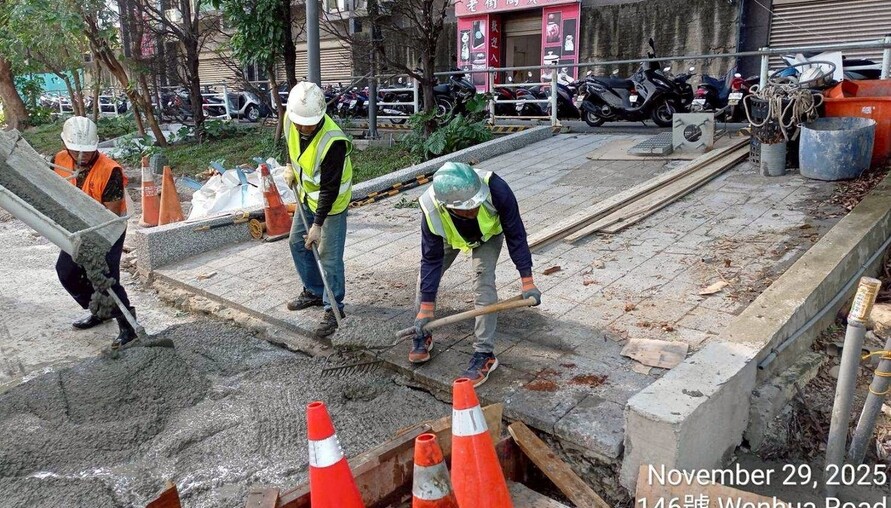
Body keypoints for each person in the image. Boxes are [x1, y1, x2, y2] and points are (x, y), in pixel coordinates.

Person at [410, 162, 541, 387]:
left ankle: (484, 353)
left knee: (483, 282)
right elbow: (431, 260)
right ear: (448, 207)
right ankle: (422, 331)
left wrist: (527, 281)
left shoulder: (497, 189)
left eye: (476, 203)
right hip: (449, 237)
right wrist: (426, 308)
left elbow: (516, 234)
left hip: (488, 235)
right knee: (424, 281)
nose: (475, 210)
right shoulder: (431, 209)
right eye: (467, 208)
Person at [52, 116, 136, 348]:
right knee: (66, 272)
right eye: (76, 150)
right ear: (65, 144)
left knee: (105, 278)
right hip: (77, 227)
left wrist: (95, 253)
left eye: (87, 151)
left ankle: (128, 326)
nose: (82, 156)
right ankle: (99, 310)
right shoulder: (58, 160)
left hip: (107, 229)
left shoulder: (110, 171)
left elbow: (110, 215)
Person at [282, 81, 352, 338]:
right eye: (300, 123)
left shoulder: (333, 142)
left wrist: (317, 225)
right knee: (296, 243)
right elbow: (290, 146)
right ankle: (313, 290)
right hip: (306, 195)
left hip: (331, 204)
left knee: (328, 257)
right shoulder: (291, 119)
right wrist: (289, 166)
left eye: (309, 124)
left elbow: (329, 189)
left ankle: (334, 308)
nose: (304, 128)